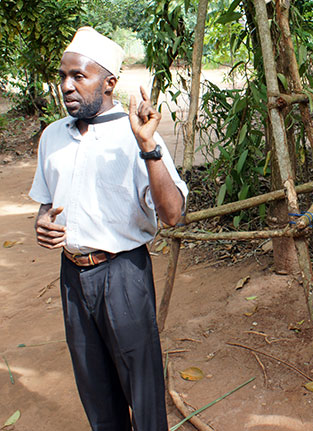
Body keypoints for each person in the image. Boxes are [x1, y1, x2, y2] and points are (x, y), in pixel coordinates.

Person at [29, 27, 188, 431]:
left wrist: (148, 147)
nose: (66, 86)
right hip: (72, 276)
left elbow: (172, 215)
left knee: (143, 388)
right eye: (63, 76)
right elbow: (48, 203)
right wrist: (42, 223)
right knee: (96, 390)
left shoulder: (135, 136)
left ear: (109, 82)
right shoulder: (52, 137)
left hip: (123, 276)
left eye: (78, 77)